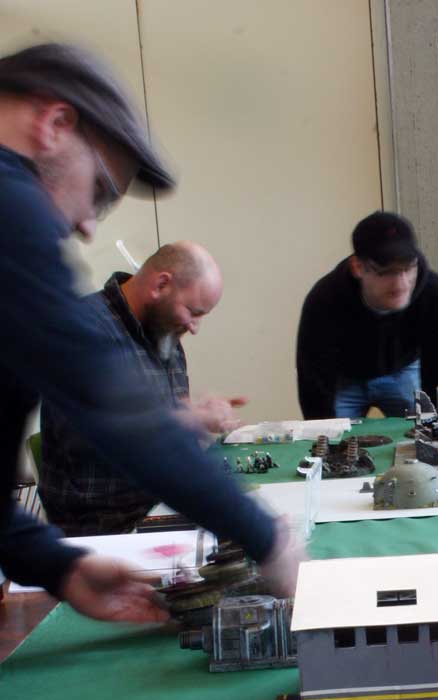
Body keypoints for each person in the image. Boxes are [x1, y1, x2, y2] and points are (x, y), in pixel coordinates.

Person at [0, 42, 300, 622]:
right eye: (99, 191)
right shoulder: (11, 205)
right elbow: (112, 410)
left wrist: (58, 566)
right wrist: (269, 539)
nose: (88, 227)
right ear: (54, 124)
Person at [40, 241, 248, 536]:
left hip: (159, 508)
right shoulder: (84, 328)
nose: (195, 327)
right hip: (103, 529)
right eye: (193, 312)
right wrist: (186, 418)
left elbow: (169, 424)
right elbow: (88, 435)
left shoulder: (165, 333)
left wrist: (194, 413)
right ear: (161, 285)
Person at [296, 210, 438, 418]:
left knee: (425, 423)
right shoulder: (324, 300)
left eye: (408, 268)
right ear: (358, 267)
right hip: (345, 376)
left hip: (404, 368)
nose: (401, 284)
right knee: (331, 433)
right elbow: (313, 381)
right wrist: (323, 430)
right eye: (387, 271)